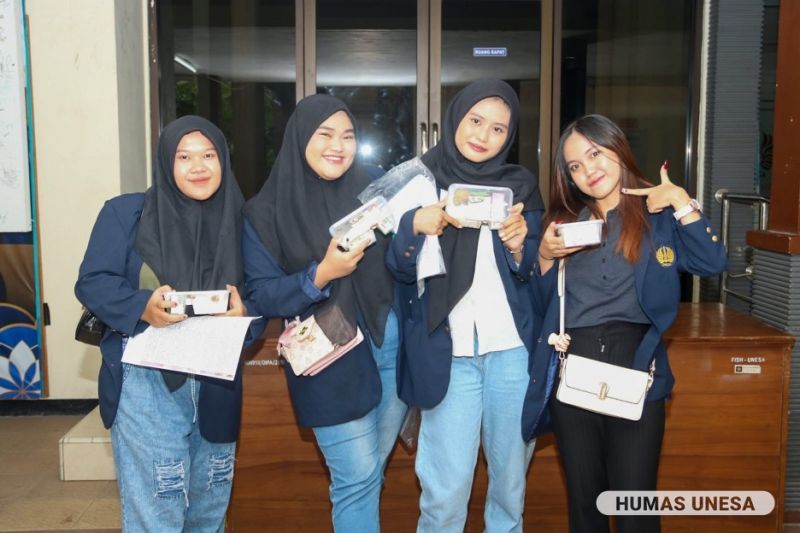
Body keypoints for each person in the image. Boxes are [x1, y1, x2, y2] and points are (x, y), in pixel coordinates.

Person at [521, 114, 727, 533]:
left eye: (594, 154)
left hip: (637, 367)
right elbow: (541, 307)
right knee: (585, 504)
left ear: (617, 148)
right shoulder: (564, 225)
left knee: (635, 505)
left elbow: (712, 262)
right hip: (573, 369)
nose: (587, 170)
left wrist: (681, 201)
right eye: (574, 166)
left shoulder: (658, 218)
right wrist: (543, 255)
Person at [75, 115, 253, 532]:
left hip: (217, 382)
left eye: (209, 155)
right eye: (184, 156)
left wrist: (243, 316)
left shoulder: (244, 220)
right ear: (165, 163)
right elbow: (93, 281)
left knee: (208, 511)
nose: (198, 166)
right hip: (148, 381)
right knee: (157, 510)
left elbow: (260, 294)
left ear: (223, 160)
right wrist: (142, 306)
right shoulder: (126, 213)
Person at [241, 94, 406, 532]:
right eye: (325, 134)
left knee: (369, 473)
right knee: (357, 477)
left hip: (390, 343)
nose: (339, 145)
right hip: (328, 357)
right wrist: (320, 275)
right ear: (299, 138)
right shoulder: (265, 211)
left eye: (348, 135)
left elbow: (405, 263)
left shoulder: (375, 188)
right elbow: (260, 294)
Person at [386, 79, 545, 533]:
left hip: (512, 351)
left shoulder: (520, 185)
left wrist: (519, 248)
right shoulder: (418, 179)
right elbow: (396, 269)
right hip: (447, 352)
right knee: (444, 494)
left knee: (509, 489)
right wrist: (415, 225)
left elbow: (534, 269)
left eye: (498, 128)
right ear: (455, 118)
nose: (483, 135)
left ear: (509, 136)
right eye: (476, 121)